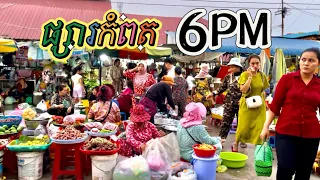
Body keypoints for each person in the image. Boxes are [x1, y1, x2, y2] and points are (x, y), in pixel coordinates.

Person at [260, 48, 320, 180]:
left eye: (311, 60)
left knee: (304, 172)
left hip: (311, 134)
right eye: (303, 59)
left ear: (318, 64)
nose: (306, 63)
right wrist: (265, 127)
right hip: (286, 132)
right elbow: (275, 106)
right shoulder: (287, 79)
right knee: (285, 168)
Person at [233, 55, 269, 152]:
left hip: (259, 105)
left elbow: (264, 90)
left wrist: (265, 103)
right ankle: (236, 142)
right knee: (243, 127)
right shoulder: (244, 75)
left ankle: (260, 149)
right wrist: (249, 77)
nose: (255, 65)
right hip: (247, 105)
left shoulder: (262, 76)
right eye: (253, 63)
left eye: (257, 63)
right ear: (249, 64)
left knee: (260, 126)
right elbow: (243, 90)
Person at [207, 58, 244, 144]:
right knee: (225, 121)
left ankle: (241, 140)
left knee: (241, 122)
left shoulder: (244, 76)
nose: (229, 69)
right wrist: (213, 93)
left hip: (241, 104)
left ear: (238, 67)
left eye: (231, 67)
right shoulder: (228, 77)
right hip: (229, 103)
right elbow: (221, 88)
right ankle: (221, 139)